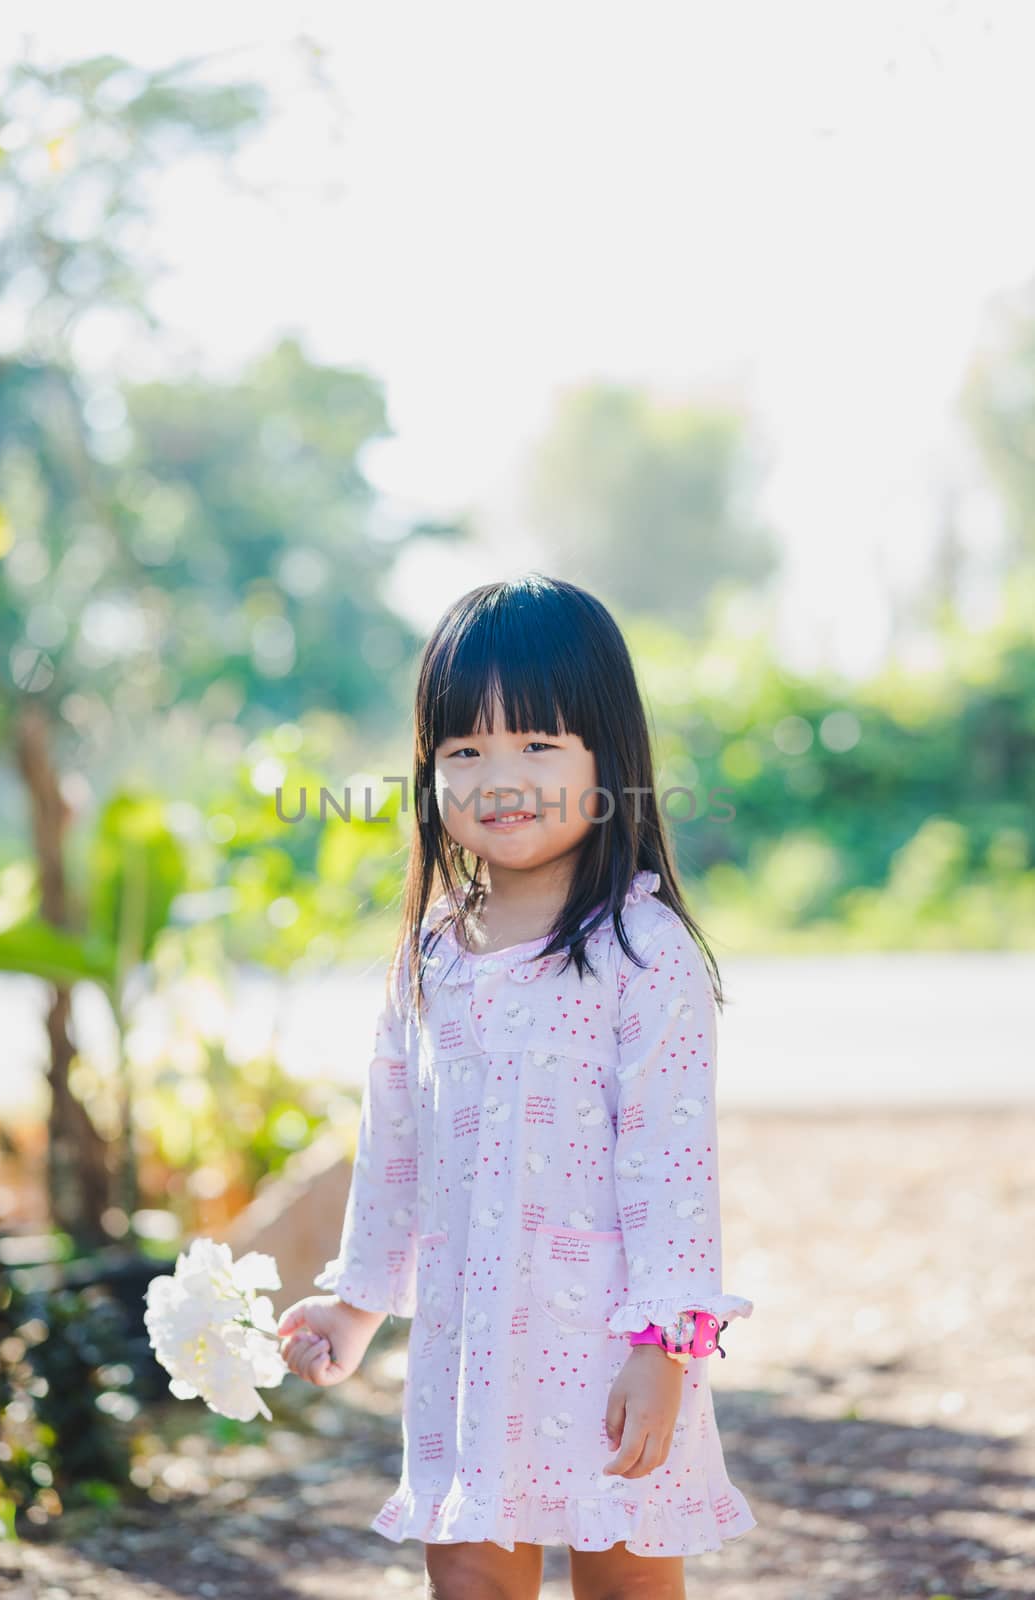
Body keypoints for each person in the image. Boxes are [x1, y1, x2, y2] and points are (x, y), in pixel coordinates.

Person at [277, 574, 756, 1600]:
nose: (501, 775)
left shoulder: (642, 952)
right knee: (468, 1575)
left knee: (624, 1577)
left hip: (606, 1340)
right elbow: (392, 1146)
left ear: (607, 759)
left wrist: (661, 1349)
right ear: (427, 771)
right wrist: (357, 1306)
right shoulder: (432, 956)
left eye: (537, 744)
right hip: (467, 1346)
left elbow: (670, 1169)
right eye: (464, 750)